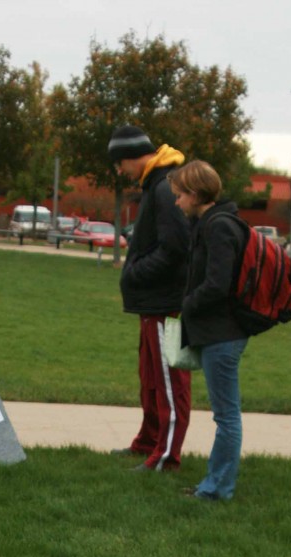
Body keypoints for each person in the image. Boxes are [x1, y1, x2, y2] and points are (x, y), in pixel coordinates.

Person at [107, 125, 191, 472]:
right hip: (152, 303)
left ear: (129, 157)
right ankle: (148, 441)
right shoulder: (156, 184)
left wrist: (136, 271)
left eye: (118, 163)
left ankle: (167, 455)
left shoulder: (165, 185)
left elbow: (177, 247)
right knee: (150, 376)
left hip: (165, 303)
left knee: (169, 380)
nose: (118, 171)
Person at [168, 159, 249, 499]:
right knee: (225, 414)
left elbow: (217, 284)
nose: (176, 202)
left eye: (179, 195)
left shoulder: (218, 227)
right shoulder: (210, 223)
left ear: (196, 193)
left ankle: (217, 489)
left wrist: (188, 304)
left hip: (223, 334)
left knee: (226, 416)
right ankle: (215, 484)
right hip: (219, 331)